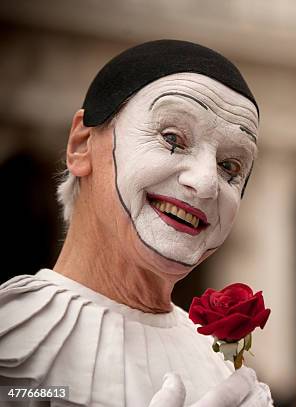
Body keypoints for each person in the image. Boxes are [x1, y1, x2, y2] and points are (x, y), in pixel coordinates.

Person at [0, 40, 273, 406]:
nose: (206, 183)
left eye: (230, 167)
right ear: (82, 144)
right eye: (173, 139)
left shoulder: (225, 376)